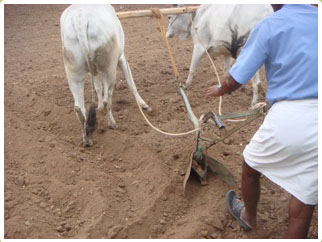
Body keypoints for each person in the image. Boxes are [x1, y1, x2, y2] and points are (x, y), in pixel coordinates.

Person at [205, 4, 318, 239]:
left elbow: (237, 77)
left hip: (291, 116)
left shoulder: (271, 25)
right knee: (305, 200)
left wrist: (220, 90)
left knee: (250, 165)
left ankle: (249, 215)